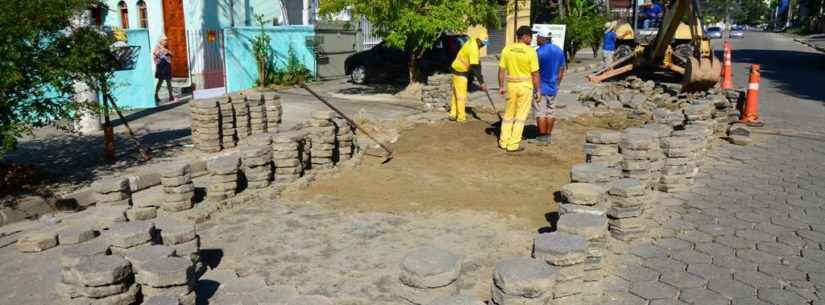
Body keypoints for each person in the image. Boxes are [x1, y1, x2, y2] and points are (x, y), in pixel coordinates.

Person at [497, 26, 540, 153]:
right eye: (530, 36)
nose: (532, 38)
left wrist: (500, 86)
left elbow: (501, 70)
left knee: (508, 115)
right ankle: (513, 144)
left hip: (511, 86)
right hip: (525, 87)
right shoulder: (531, 51)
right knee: (521, 116)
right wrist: (538, 90)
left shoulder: (507, 49)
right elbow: (535, 74)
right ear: (525, 37)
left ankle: (503, 141)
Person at [533, 30, 566, 146]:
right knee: (550, 112)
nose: (536, 39)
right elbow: (562, 70)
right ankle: (548, 136)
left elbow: (534, 72)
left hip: (540, 88)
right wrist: (557, 85)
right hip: (553, 87)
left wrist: (535, 88)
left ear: (543, 38)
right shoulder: (559, 50)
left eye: (537, 37)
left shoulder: (538, 52)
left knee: (540, 113)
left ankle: (542, 138)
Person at [449, 34, 489, 122]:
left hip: (456, 67)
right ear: (479, 41)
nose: (484, 45)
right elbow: (475, 67)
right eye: (483, 44)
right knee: (461, 96)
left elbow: (477, 63)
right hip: (460, 71)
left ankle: (453, 113)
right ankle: (461, 117)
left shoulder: (473, 40)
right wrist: (481, 82)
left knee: (456, 93)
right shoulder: (474, 49)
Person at [153, 37, 176, 103]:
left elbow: (171, 54)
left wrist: (169, 52)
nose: (166, 42)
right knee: (160, 81)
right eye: (165, 40)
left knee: (168, 81)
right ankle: (156, 95)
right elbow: (155, 54)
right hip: (161, 66)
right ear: (161, 41)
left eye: (166, 40)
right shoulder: (158, 46)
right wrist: (162, 50)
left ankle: (171, 96)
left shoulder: (167, 47)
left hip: (167, 65)